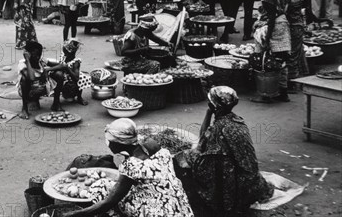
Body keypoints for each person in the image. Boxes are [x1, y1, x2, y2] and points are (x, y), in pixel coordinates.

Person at [175, 87, 274, 217]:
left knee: (182, 159)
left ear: (214, 106)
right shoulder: (237, 121)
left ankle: (199, 199)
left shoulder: (217, 128)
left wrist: (208, 113)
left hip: (231, 178)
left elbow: (201, 144)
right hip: (249, 177)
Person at [65, 118, 194, 217]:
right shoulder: (152, 145)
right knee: (112, 186)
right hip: (178, 207)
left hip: (157, 212)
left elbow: (108, 202)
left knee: (101, 188)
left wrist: (75, 215)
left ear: (118, 144)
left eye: (109, 141)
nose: (108, 144)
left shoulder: (131, 166)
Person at [251, 0, 291, 103]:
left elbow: (272, 17)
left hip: (274, 26)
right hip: (284, 23)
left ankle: (266, 93)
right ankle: (283, 92)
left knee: (264, 60)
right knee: (281, 59)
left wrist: (267, 38)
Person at [17, 41, 65, 119]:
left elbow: (63, 65)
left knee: (59, 74)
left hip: (42, 88)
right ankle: (24, 109)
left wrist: (47, 70)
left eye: (39, 55)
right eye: (34, 55)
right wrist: (28, 60)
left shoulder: (41, 61)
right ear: (28, 54)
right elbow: (31, 78)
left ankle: (56, 103)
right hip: (30, 91)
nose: (37, 57)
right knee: (24, 79)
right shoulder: (22, 64)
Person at [285, 0, 309, 82]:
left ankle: (292, 79)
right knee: (297, 50)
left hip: (291, 25)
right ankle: (300, 74)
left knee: (291, 53)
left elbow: (286, 10)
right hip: (299, 24)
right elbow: (304, 7)